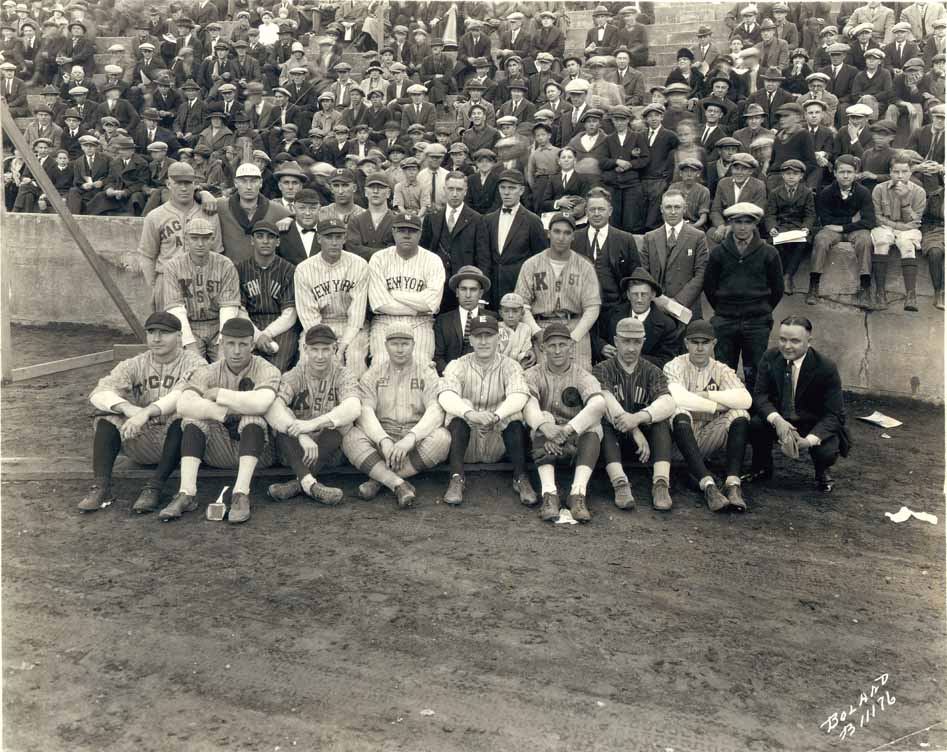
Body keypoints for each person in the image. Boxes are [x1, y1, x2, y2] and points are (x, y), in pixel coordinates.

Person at [78, 312, 207, 514]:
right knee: (106, 415)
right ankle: (101, 486)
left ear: (179, 336)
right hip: (141, 437)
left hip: (182, 445)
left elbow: (180, 397)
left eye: (164, 333)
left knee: (185, 416)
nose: (156, 338)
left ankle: (154, 487)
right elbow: (98, 392)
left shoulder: (195, 363)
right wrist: (129, 409)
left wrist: (145, 413)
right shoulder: (135, 364)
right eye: (151, 332)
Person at [341, 327, 451, 508]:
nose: (400, 349)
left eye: (405, 344)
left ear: (413, 345)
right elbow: (365, 411)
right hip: (383, 437)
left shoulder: (426, 372)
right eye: (394, 344)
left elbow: (436, 411)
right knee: (349, 437)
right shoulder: (374, 373)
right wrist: (383, 440)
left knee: (443, 438)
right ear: (385, 346)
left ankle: (379, 479)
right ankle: (398, 484)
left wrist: (410, 439)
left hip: (414, 437)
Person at [436, 314, 536, 507]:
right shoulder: (458, 364)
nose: (483, 341)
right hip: (467, 442)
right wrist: (470, 413)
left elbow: (520, 396)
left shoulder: (510, 365)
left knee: (514, 412)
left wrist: (497, 415)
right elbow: (445, 396)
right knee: (458, 408)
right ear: (470, 339)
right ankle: (457, 478)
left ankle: (520, 477)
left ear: (498, 338)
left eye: (488, 335)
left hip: (497, 440)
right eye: (478, 336)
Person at [746, 316, 851, 494]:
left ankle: (822, 472)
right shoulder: (770, 357)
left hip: (812, 422)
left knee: (827, 450)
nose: (787, 346)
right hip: (781, 419)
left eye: (794, 341)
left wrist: (809, 441)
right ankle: (762, 467)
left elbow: (835, 414)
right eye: (783, 339)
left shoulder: (826, 367)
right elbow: (760, 396)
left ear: (808, 342)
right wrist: (777, 420)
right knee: (754, 424)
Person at [264, 324, 361, 506]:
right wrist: (301, 434)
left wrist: (313, 424)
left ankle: (298, 483)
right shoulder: (295, 374)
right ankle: (310, 484)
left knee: (343, 422)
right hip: (296, 451)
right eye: (314, 349)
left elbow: (354, 406)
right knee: (283, 418)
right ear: (305, 349)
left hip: (329, 452)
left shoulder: (343, 374)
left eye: (326, 349)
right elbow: (273, 408)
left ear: (334, 349)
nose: (320, 355)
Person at [663, 319, 751, 513]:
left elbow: (745, 400)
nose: (700, 348)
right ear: (686, 344)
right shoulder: (674, 365)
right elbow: (679, 398)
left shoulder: (721, 369)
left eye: (705, 342)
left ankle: (732, 483)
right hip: (680, 443)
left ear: (714, 344)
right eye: (695, 342)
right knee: (679, 411)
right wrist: (716, 406)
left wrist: (707, 395)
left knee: (740, 413)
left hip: (709, 437)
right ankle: (708, 484)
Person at [522, 323, 606, 522]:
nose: (558, 350)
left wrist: (567, 430)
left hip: (573, 439)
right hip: (543, 441)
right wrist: (545, 426)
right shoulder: (532, 374)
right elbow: (528, 404)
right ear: (543, 348)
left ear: (571, 346)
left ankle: (578, 493)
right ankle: (549, 494)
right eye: (552, 346)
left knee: (594, 425)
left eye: (562, 344)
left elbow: (599, 404)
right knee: (543, 417)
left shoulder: (582, 374)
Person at [593, 317, 676, 511]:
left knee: (660, 420)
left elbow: (668, 402)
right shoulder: (601, 369)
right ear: (615, 341)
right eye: (626, 341)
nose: (631, 348)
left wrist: (637, 418)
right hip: (614, 440)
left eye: (636, 342)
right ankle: (619, 483)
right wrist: (634, 429)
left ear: (643, 342)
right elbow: (606, 400)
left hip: (646, 447)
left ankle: (661, 483)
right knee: (603, 420)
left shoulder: (653, 371)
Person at [703, 202, 784, 390]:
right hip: (725, 320)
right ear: (730, 223)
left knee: (755, 370)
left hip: (756, 322)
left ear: (755, 224)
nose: (742, 227)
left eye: (748, 222)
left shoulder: (768, 253)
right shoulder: (718, 253)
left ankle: (755, 412)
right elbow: (709, 287)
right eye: (738, 222)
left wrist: (759, 309)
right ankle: (728, 414)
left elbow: (777, 289)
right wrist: (725, 309)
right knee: (723, 370)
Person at [515, 213, 601, 371]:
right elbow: (522, 305)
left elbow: (592, 307)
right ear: (548, 233)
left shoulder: (584, 266)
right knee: (542, 381)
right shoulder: (531, 264)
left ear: (573, 236)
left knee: (580, 379)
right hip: (543, 327)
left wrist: (575, 336)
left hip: (575, 327)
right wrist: (536, 332)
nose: (561, 237)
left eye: (567, 233)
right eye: (557, 231)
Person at [137, 162, 223, 309]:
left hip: (202, 281)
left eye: (188, 183)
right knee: (168, 330)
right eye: (178, 183)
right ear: (168, 183)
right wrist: (155, 286)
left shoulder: (209, 213)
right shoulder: (155, 216)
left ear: (195, 184)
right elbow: (147, 255)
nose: (183, 188)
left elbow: (217, 252)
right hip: (168, 280)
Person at [293, 217, 371, 378]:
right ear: (319, 238)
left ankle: (355, 400)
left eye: (338, 237)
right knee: (307, 359)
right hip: (319, 325)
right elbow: (309, 317)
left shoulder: (359, 265)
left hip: (352, 327)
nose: (334, 242)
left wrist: (341, 348)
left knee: (355, 359)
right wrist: (327, 344)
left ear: (345, 238)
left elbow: (356, 315)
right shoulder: (304, 269)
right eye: (329, 237)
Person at [368, 211, 445, 367]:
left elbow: (431, 304)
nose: (407, 235)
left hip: (420, 323)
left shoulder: (433, 260)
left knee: (420, 364)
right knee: (381, 364)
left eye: (412, 231)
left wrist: (395, 294)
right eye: (402, 230)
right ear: (394, 232)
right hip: (385, 321)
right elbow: (379, 303)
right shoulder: (378, 258)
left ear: (420, 234)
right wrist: (418, 307)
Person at [162, 217, 241, 362]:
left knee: (227, 364)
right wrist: (189, 344)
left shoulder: (225, 264)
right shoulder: (173, 266)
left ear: (212, 239)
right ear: (186, 239)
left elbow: (228, 308)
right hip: (188, 325)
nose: (200, 244)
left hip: (218, 324)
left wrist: (223, 343)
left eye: (205, 238)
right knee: (190, 367)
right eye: (194, 238)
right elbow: (175, 309)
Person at [809, 154, 876, 307]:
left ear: (855, 174)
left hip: (854, 230)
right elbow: (825, 220)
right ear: (835, 173)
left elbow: (869, 221)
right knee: (821, 239)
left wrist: (844, 226)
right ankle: (813, 285)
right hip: (833, 230)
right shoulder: (826, 192)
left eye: (849, 172)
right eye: (842, 172)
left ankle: (865, 287)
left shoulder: (863, 192)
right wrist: (851, 220)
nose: (845, 176)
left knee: (865, 240)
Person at [476, 168, 547, 309]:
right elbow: (484, 260)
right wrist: (482, 297)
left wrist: (537, 297)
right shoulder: (488, 220)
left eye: (512, 188)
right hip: (493, 291)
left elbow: (541, 261)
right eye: (502, 188)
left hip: (520, 291)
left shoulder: (533, 221)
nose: (506, 192)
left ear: (521, 191)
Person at [420, 171, 488, 311]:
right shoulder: (432, 218)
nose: (455, 194)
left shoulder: (477, 219)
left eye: (459, 189)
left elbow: (483, 259)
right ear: (444, 190)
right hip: (436, 287)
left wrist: (480, 295)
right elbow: (423, 254)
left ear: (465, 191)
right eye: (451, 189)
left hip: (464, 289)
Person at [236, 220, 299, 372]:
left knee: (275, 368)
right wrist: (258, 337)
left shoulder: (289, 269)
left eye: (270, 237)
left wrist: (267, 334)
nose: (265, 241)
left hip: (281, 326)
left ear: (277, 242)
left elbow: (290, 313)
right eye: (259, 236)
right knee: (245, 367)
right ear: (252, 240)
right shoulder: (240, 269)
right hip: (250, 324)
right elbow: (239, 310)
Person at [639, 189, 710, 321]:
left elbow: (701, 274)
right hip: (656, 307)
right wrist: (658, 299)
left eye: (677, 207)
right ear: (661, 209)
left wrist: (675, 303)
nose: (672, 212)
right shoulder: (650, 237)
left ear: (684, 209)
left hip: (686, 308)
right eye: (668, 207)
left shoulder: (698, 237)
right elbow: (643, 272)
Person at [870, 152, 927, 312]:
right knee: (881, 240)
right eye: (896, 172)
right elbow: (877, 217)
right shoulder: (879, 189)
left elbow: (915, 221)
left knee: (906, 243)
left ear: (910, 172)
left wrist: (903, 201)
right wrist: (891, 227)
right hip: (885, 227)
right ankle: (880, 293)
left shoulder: (919, 192)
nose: (900, 176)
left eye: (904, 172)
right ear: (890, 172)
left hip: (908, 229)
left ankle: (911, 295)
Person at [603, 268, 680, 369]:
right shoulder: (613, 314)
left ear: (652, 295)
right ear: (628, 295)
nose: (639, 300)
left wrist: (634, 358)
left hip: (647, 379)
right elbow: (597, 336)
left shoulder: (667, 324)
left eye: (644, 294)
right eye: (635, 294)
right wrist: (602, 347)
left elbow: (667, 362)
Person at [217, 162, 291, 265]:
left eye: (253, 181)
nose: (248, 187)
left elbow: (300, 220)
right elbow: (196, 201)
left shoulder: (276, 209)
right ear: (235, 183)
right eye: (243, 181)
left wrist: (290, 219)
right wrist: (203, 194)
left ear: (261, 183)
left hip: (263, 273)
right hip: (230, 272)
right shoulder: (222, 206)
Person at [764, 159, 816, 295]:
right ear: (782, 175)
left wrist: (806, 227)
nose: (791, 177)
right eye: (788, 173)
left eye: (795, 174)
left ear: (801, 176)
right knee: (776, 243)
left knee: (801, 244)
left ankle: (788, 276)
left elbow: (810, 214)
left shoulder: (806, 192)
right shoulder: (775, 193)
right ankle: (779, 277)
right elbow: (770, 214)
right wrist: (772, 228)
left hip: (798, 227)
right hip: (781, 226)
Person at [434, 265, 489, 374]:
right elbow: (437, 357)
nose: (468, 295)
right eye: (463, 289)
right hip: (450, 377)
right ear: (457, 292)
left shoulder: (492, 319)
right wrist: (451, 374)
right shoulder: (443, 321)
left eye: (473, 289)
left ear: (480, 293)